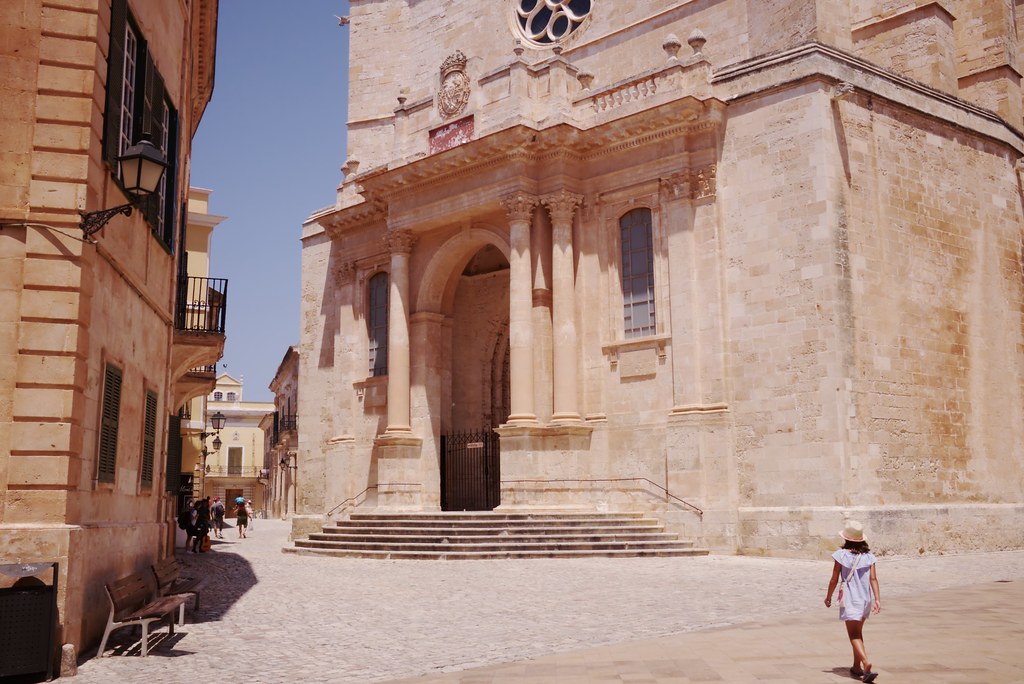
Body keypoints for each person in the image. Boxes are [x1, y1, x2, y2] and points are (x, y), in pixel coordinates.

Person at [824, 520, 881, 682]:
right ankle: (857, 667)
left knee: (853, 634)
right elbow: (873, 579)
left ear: (846, 538)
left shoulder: (841, 555)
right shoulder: (869, 557)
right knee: (858, 633)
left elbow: (834, 579)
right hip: (865, 599)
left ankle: (865, 662)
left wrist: (828, 596)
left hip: (850, 598)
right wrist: (877, 599)